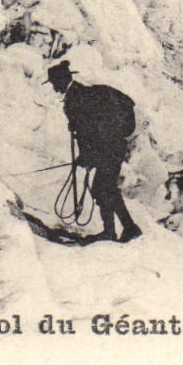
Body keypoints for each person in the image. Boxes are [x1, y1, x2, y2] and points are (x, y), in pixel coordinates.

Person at [47, 60, 142, 243]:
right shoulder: (81, 93)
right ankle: (127, 228)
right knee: (107, 188)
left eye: (54, 84)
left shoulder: (77, 98)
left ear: (61, 80)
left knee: (101, 188)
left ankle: (113, 232)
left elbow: (88, 131)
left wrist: (87, 156)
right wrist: (87, 155)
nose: (53, 88)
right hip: (113, 148)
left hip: (109, 149)